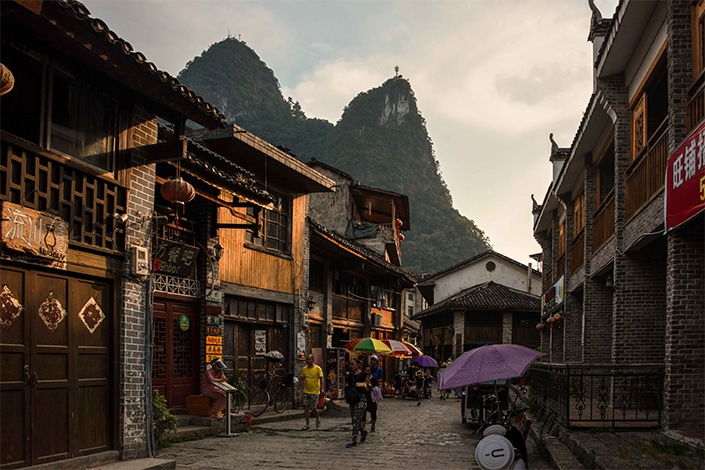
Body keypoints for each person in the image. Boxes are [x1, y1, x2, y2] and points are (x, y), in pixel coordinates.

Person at [344, 357, 369, 447]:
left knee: (356, 418)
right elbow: (344, 375)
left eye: (353, 364)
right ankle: (363, 432)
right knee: (354, 420)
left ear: (358, 365)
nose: (351, 366)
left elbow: (366, 385)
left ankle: (353, 439)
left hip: (361, 398)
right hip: (352, 398)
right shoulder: (350, 374)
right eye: (350, 364)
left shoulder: (364, 375)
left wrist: (357, 384)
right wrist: (344, 366)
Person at [299, 354, 324, 430]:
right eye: (307, 359)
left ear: (313, 360)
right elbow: (302, 379)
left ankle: (317, 417)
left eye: (309, 359)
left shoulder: (318, 369)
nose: (308, 361)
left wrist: (322, 388)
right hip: (306, 390)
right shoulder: (304, 369)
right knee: (306, 407)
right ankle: (307, 424)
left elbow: (321, 379)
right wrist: (299, 389)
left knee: (313, 408)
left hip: (315, 391)